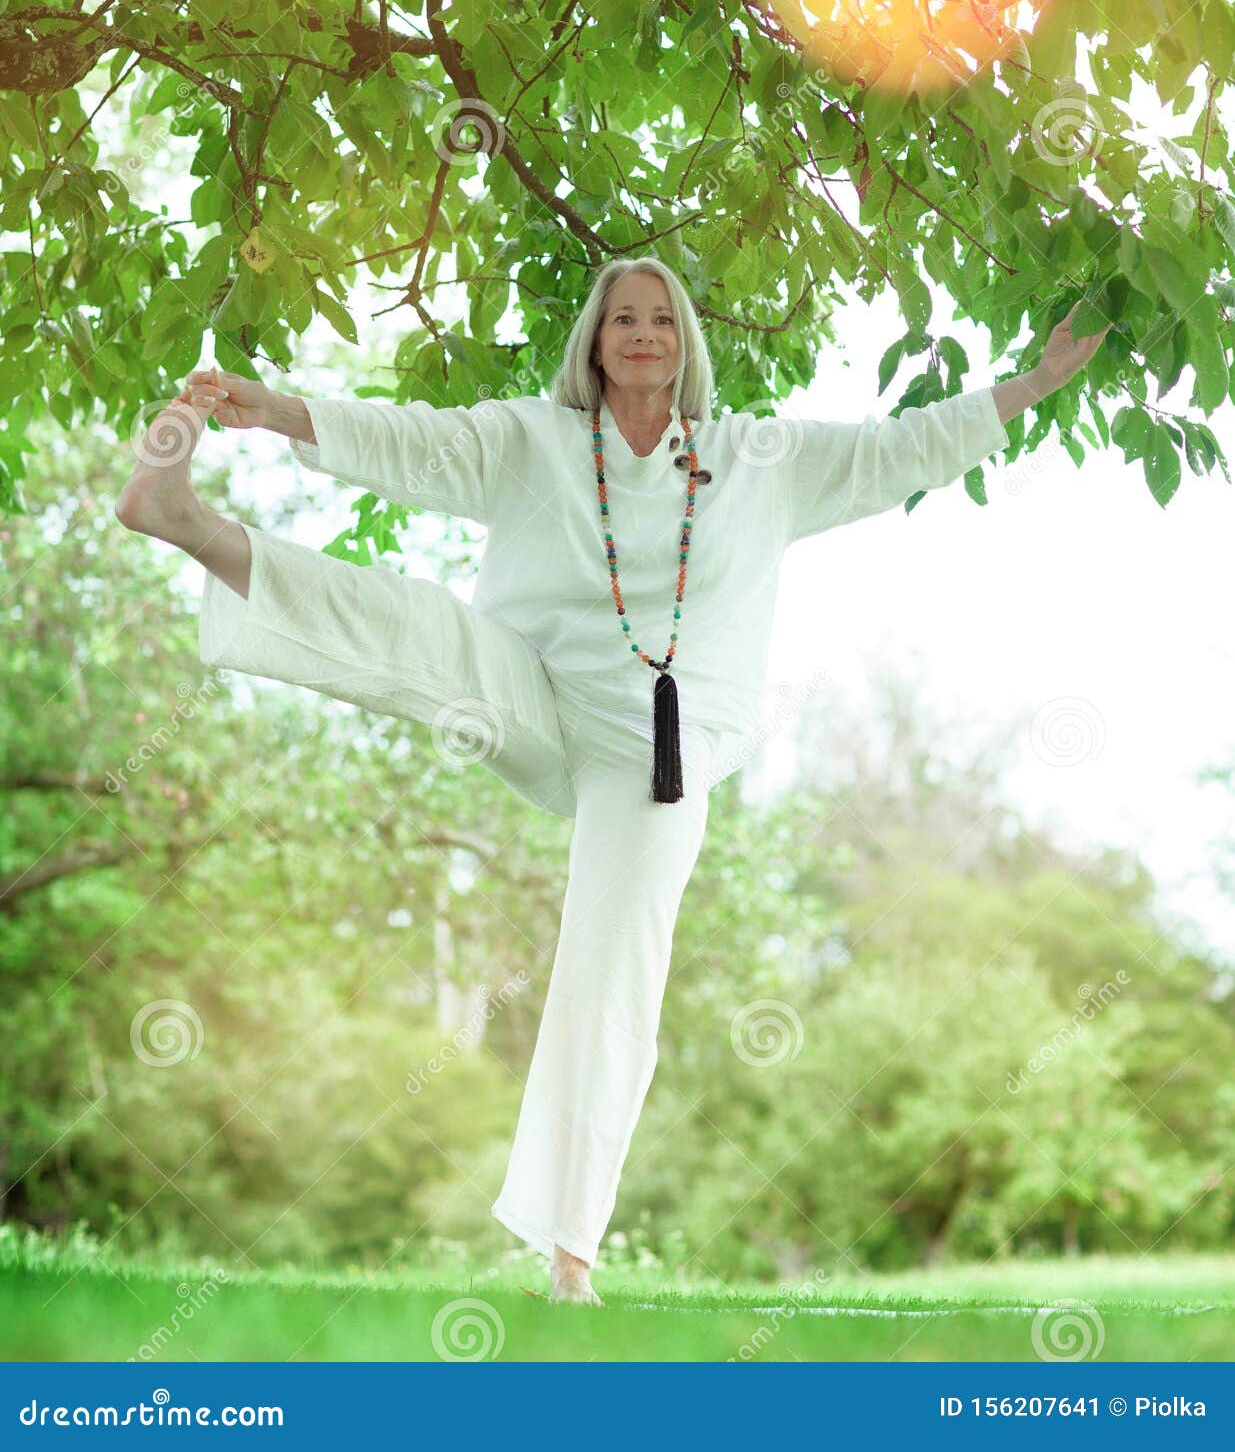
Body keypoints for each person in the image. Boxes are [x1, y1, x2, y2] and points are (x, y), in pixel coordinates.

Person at [115, 256, 1110, 1305]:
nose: (642, 332)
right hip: (539, 693)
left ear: (685, 343)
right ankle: (184, 520)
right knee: (423, 623)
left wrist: (1034, 383)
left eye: (661, 318)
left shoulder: (755, 459)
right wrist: (262, 408)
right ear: (592, 342)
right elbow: (408, 438)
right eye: (621, 318)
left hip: (656, 752)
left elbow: (898, 448)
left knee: (611, 962)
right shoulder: (534, 441)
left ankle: (569, 1253)